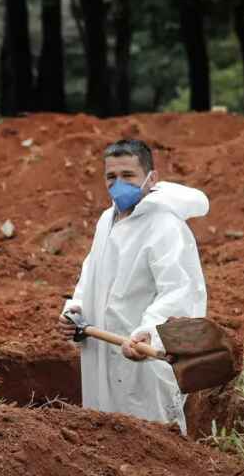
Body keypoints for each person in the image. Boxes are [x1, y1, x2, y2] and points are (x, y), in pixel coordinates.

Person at [56, 139, 208, 434]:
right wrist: (74, 311)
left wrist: (149, 334)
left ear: (151, 178)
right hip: (101, 352)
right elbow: (91, 274)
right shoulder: (107, 219)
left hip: (142, 361)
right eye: (111, 177)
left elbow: (179, 291)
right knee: (103, 439)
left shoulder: (165, 225)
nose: (118, 184)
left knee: (149, 441)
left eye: (128, 176)